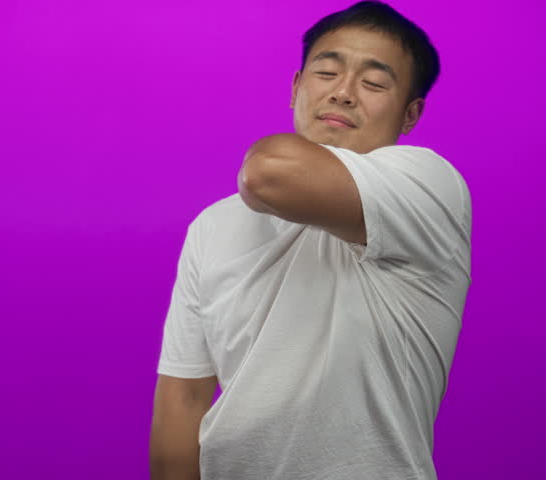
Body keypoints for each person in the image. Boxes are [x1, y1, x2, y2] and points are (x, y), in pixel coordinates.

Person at [149, 1, 472, 479]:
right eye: (326, 72)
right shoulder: (213, 225)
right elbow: (183, 396)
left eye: (373, 83)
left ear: (410, 114)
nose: (343, 93)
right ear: (295, 87)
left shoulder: (429, 184)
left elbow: (268, 172)